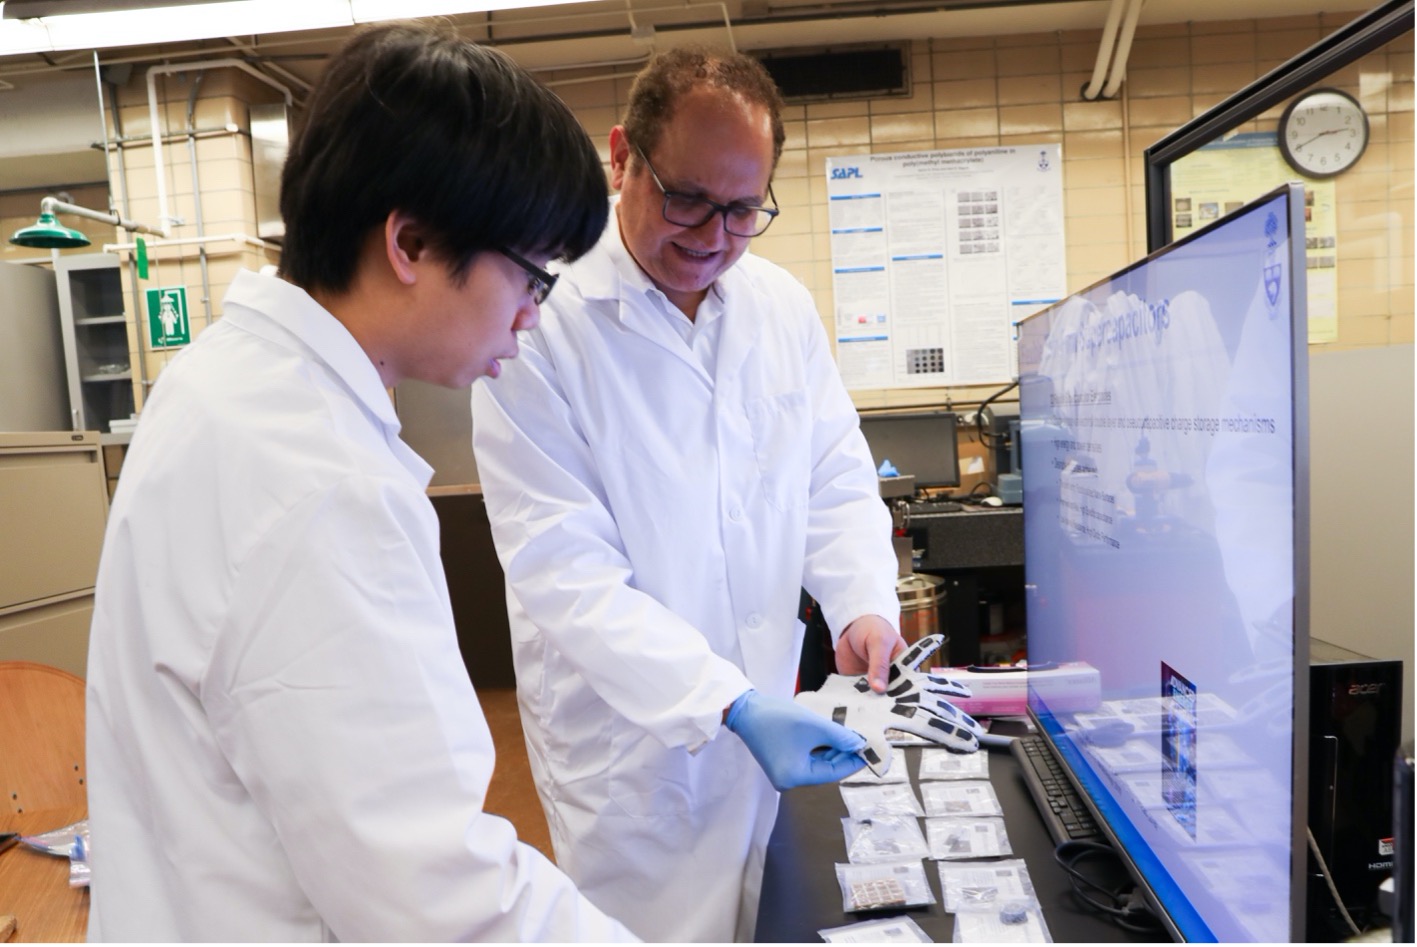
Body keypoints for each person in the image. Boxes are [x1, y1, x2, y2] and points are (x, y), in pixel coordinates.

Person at [84, 22, 637, 943]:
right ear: (412, 242)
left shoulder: (227, 383)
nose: (533, 318)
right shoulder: (316, 476)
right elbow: (434, 893)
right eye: (532, 276)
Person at [470, 45, 905, 942]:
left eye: (743, 209)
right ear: (622, 156)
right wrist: (724, 702)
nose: (713, 235)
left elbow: (832, 469)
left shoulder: (778, 305)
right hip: (633, 753)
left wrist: (860, 597)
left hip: (768, 712)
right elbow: (563, 570)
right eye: (688, 200)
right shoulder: (540, 318)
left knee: (777, 913)